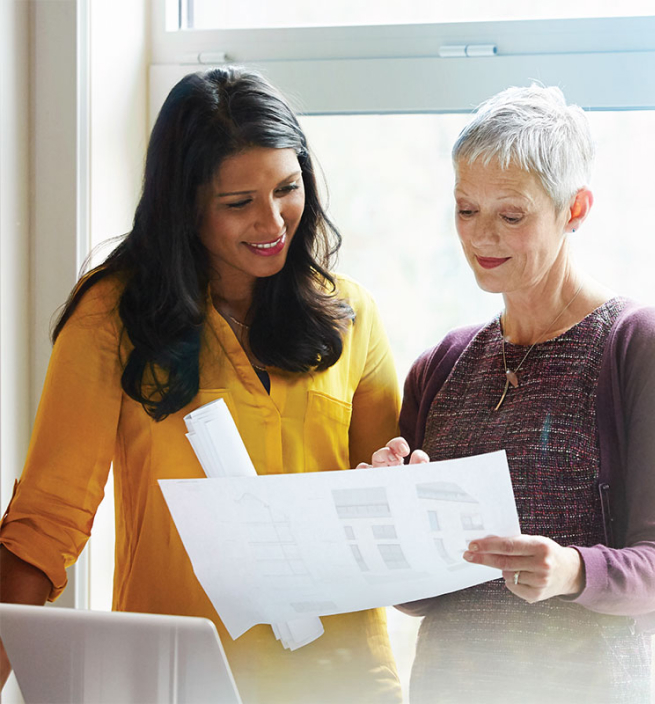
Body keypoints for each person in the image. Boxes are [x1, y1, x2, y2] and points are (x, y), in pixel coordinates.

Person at [0, 67, 402, 704]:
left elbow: (384, 509)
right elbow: (45, 526)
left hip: (344, 681)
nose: (273, 222)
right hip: (180, 679)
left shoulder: (350, 314)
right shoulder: (112, 318)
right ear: (185, 207)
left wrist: (398, 479)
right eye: (238, 203)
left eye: (287, 189)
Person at [364, 85, 655, 703]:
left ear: (576, 208)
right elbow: (418, 595)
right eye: (466, 210)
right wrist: (388, 514)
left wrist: (573, 570)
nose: (481, 236)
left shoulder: (644, 347)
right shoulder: (441, 367)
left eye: (511, 215)